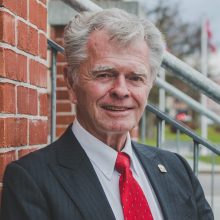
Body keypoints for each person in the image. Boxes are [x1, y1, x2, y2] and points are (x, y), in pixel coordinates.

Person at [0, 8, 213, 220]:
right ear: (72, 83)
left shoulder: (178, 170)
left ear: (149, 85)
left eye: (135, 77)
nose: (121, 90)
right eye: (104, 74)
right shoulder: (31, 181)